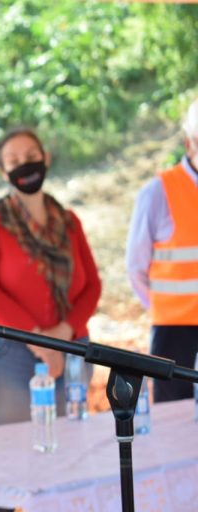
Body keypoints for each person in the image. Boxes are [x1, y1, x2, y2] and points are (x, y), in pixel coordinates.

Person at [0, 128, 101, 512]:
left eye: (31, 156)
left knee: (66, 463)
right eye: (14, 160)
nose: (25, 165)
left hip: (71, 352)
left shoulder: (69, 221)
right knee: (5, 468)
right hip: (8, 354)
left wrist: (63, 332)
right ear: (2, 170)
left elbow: (92, 285)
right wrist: (39, 340)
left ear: (46, 159)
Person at [126, 99, 198, 403]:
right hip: (174, 331)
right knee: (174, 416)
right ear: (189, 143)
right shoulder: (158, 192)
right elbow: (136, 267)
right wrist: (163, 309)